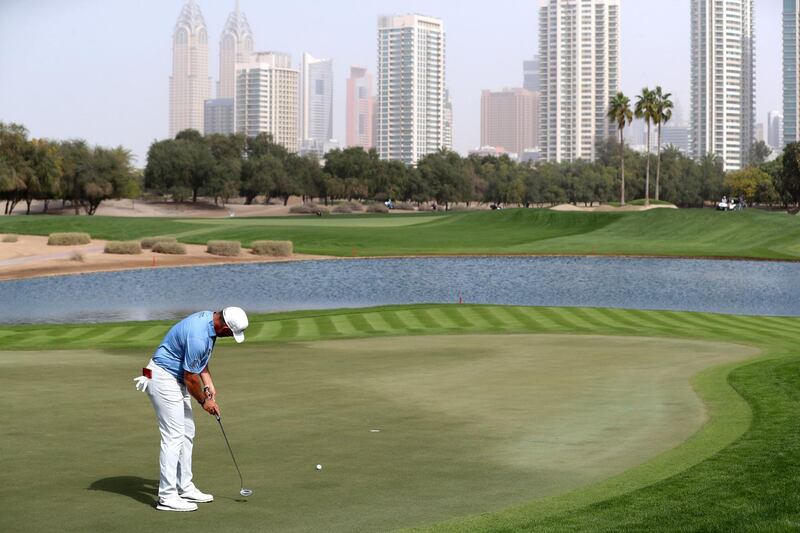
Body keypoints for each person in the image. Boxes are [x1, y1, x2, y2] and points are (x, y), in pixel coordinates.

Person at [133, 307, 249, 512]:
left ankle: (184, 486)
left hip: (174, 376)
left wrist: (208, 383)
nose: (230, 336)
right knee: (174, 435)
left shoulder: (209, 322)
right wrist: (205, 401)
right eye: (231, 333)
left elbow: (199, 361)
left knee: (187, 432)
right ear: (223, 326)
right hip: (162, 377)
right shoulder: (199, 335)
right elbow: (189, 377)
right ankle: (167, 496)